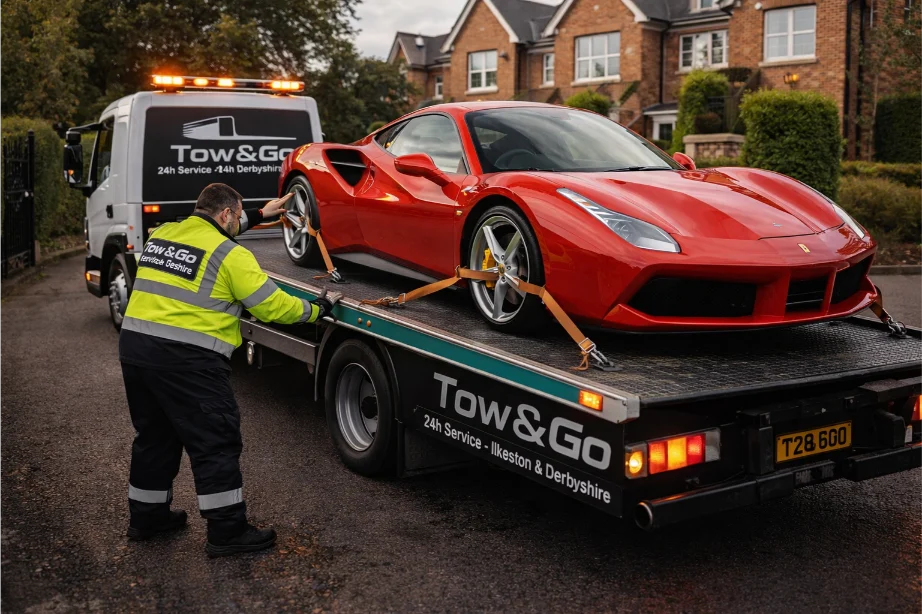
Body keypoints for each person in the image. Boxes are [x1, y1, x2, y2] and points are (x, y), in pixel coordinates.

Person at [118, 183, 334, 557]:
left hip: (136, 350)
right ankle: (227, 531)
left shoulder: (163, 234)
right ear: (225, 215)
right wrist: (316, 310)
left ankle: (147, 519)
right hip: (188, 362)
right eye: (236, 216)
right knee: (215, 441)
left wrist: (262, 214)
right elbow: (272, 307)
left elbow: (213, 232)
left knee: (154, 437)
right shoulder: (232, 256)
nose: (237, 222)